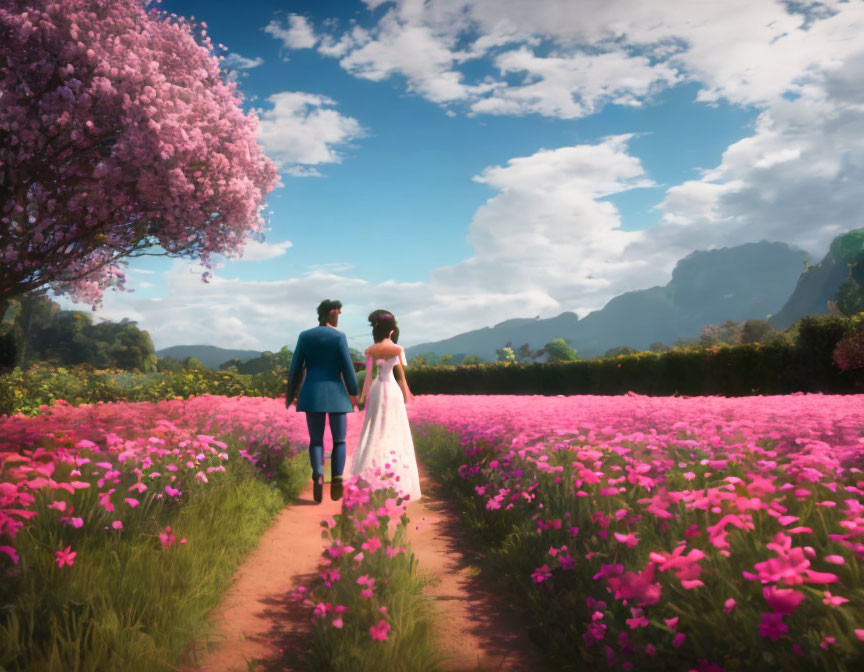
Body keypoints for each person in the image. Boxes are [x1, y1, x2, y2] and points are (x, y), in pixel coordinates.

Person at [286, 300, 359, 503]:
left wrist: (291, 393)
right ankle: (336, 478)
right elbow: (347, 367)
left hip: (312, 394)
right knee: (340, 440)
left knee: (316, 440)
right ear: (332, 314)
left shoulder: (305, 336)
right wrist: (353, 391)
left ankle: (318, 474)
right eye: (338, 314)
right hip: (336, 394)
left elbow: (295, 368)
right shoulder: (339, 336)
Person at [351, 309, 421, 502]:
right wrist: (407, 394)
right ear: (391, 331)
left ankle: (370, 472)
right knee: (395, 429)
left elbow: (368, 377)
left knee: (375, 428)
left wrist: (362, 397)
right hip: (392, 391)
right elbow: (401, 376)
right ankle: (394, 473)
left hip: (376, 390)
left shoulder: (371, 350)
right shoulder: (397, 350)